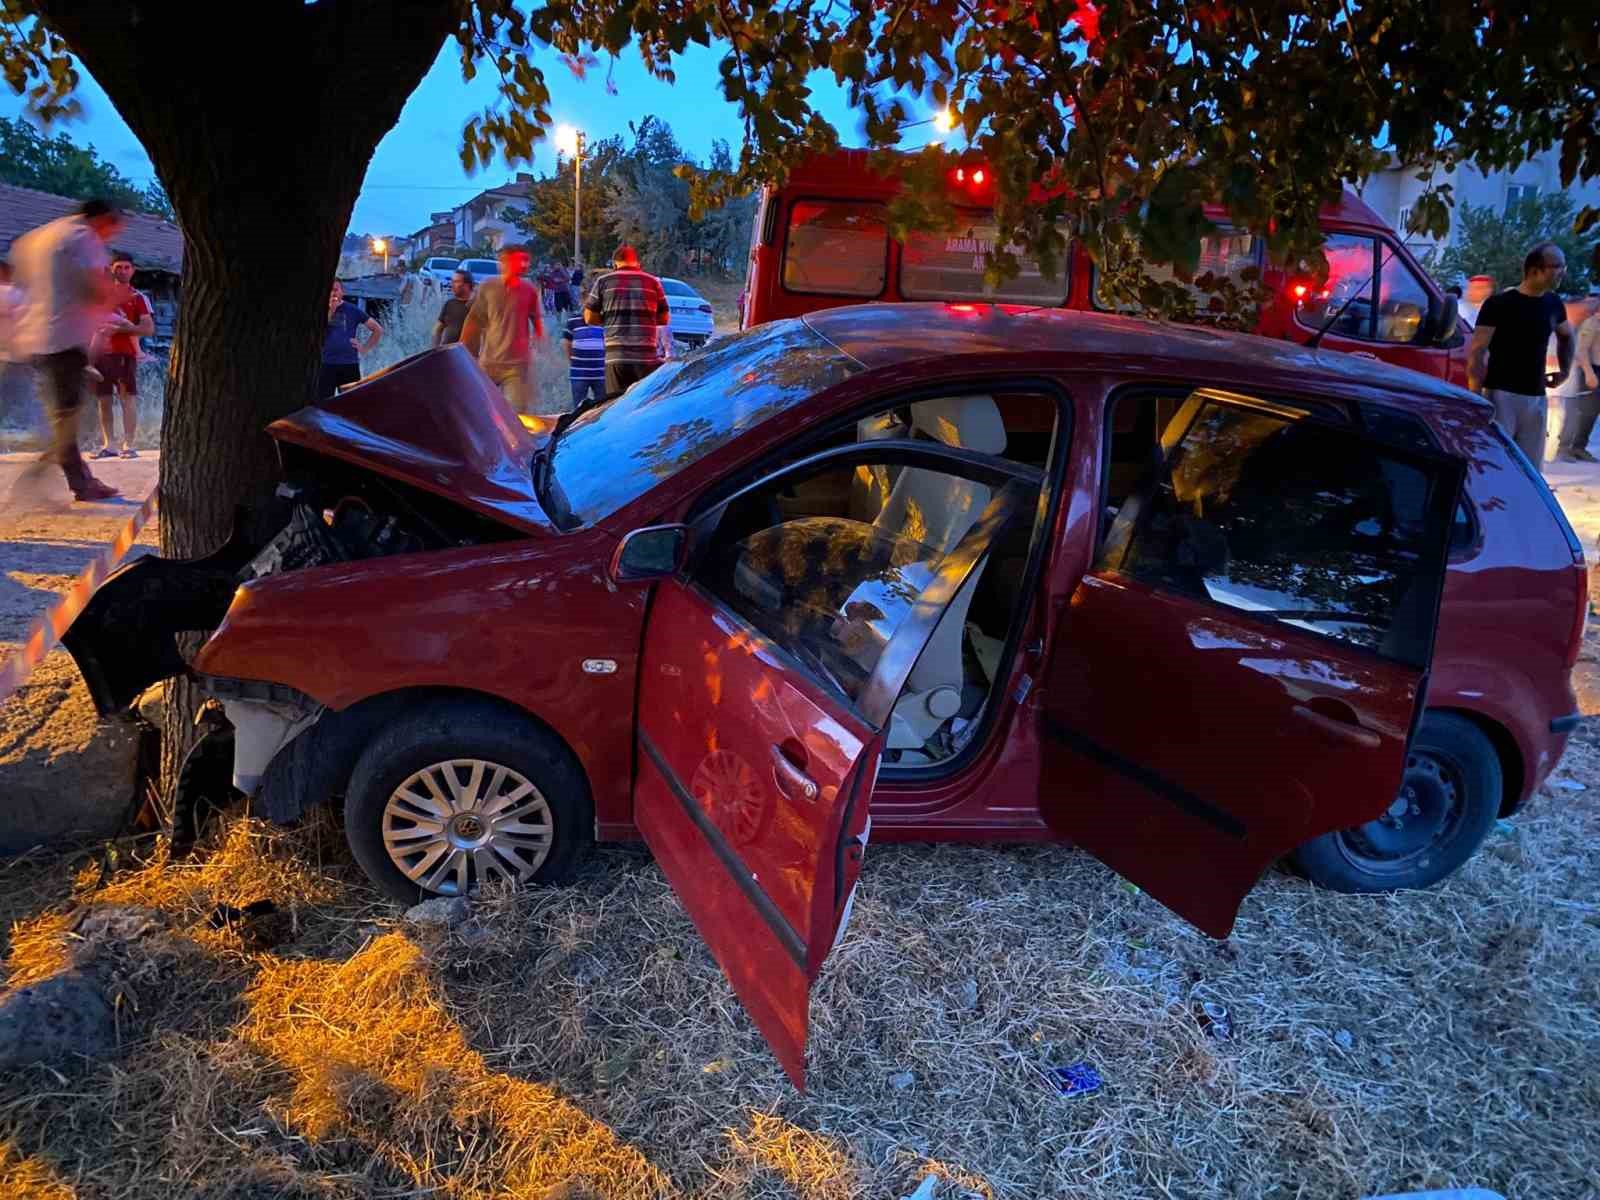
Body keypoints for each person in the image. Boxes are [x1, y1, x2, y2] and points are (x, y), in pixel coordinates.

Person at [9, 197, 125, 501]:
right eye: (113, 227)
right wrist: (112, 301)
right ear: (103, 218)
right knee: (71, 415)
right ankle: (70, 479)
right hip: (64, 337)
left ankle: (73, 473)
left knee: (66, 412)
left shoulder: (37, 237)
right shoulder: (82, 237)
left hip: (35, 338)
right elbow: (93, 288)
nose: (111, 235)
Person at [1467, 243, 1574, 467]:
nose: (1563, 272)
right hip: (1500, 395)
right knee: (1496, 463)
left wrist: (1564, 371)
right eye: (1557, 266)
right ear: (1536, 269)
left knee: (1530, 468)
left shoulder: (1553, 303)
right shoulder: (1499, 304)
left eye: (1563, 266)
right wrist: (1475, 395)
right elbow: (1477, 350)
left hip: (1536, 396)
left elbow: (1567, 336)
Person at [461, 245, 544, 413]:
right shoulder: (488, 286)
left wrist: (539, 337)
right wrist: (465, 352)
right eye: (520, 260)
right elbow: (474, 320)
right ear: (504, 262)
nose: (524, 265)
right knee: (479, 412)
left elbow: (536, 319)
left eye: (526, 261)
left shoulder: (529, 290)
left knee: (518, 415)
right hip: (489, 362)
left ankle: (516, 440)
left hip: (516, 366)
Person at [90, 250, 154, 460]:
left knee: (128, 400)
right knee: (104, 400)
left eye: (127, 267)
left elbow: (147, 329)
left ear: (133, 270)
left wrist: (118, 330)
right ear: (111, 269)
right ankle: (109, 445)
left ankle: (129, 444)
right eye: (119, 267)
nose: (123, 271)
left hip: (124, 354)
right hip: (101, 354)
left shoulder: (138, 298)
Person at [584, 244, 669, 400]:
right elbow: (664, 318)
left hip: (617, 358)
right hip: (646, 359)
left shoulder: (603, 282)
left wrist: (609, 320)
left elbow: (589, 317)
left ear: (615, 263)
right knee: (642, 407)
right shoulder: (653, 282)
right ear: (637, 263)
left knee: (615, 408)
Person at [1555, 293, 1600, 463]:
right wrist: (1589, 373)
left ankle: (1579, 446)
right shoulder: (1592, 322)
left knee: (1591, 413)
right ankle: (1575, 447)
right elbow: (1581, 350)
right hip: (1594, 370)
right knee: (1588, 412)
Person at [320, 280, 383, 400]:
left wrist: (364, 348)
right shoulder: (320, 310)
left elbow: (377, 329)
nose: (333, 293)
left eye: (336, 290)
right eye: (330, 290)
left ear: (342, 292)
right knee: (324, 404)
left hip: (349, 364)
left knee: (352, 402)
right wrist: (331, 310)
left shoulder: (352, 310)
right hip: (326, 364)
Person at [0, 260, 37, 442]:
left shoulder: (6, 293)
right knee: (25, 397)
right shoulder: (22, 295)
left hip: (8, 356)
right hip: (22, 355)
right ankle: (33, 433)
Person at [562, 305, 606, 413]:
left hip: (601, 374)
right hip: (579, 374)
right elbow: (567, 344)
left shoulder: (604, 319)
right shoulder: (573, 320)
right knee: (579, 410)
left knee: (603, 408)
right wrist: (574, 362)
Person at [433, 270, 474, 346]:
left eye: (456, 282)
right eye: (452, 281)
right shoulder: (449, 304)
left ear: (467, 285)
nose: (451, 285)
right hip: (448, 353)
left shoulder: (477, 305)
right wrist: (435, 349)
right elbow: (437, 329)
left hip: (467, 354)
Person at [549, 262, 572, 329]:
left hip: (565, 291)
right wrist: (562, 280)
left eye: (558, 265)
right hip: (557, 292)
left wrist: (562, 271)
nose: (557, 266)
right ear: (554, 266)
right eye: (556, 265)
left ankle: (569, 321)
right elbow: (554, 280)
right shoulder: (553, 273)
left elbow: (568, 278)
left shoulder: (563, 271)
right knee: (558, 308)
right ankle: (559, 321)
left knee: (568, 306)